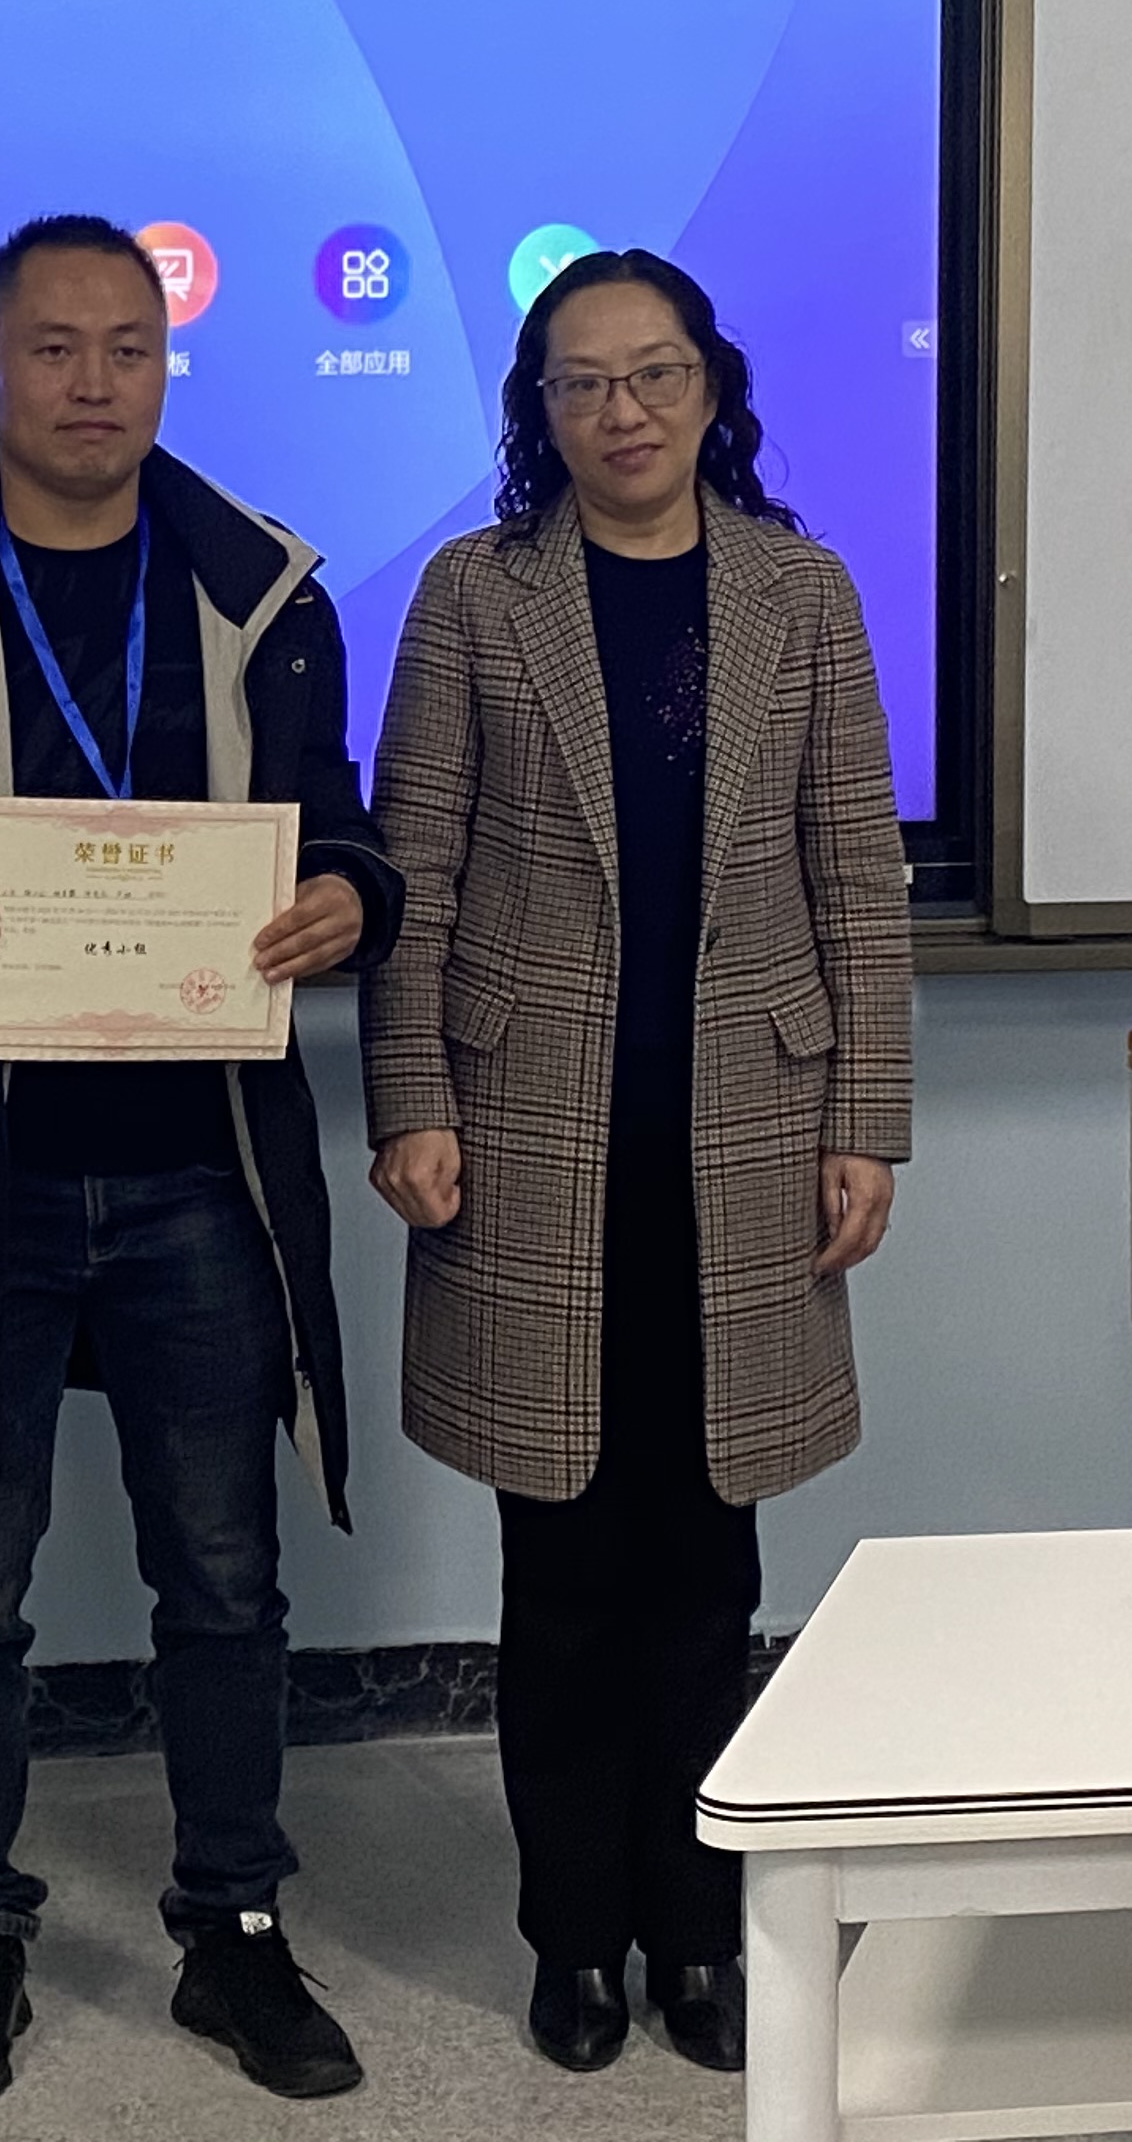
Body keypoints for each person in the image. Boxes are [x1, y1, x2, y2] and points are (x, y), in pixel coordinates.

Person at [0, 213, 401, 2109]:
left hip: (200, 1167)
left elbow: (342, 827)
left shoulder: (260, 586)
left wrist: (348, 899)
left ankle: (235, 1928)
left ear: (167, 368)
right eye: (53, 348)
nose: (93, 383)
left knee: (226, 1575)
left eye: (129, 348)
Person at [365, 246, 911, 2078]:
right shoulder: (477, 595)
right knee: (564, 1573)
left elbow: (858, 877)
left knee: (709, 1570)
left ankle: (700, 1936)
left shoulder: (801, 593)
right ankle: (574, 1941)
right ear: (541, 410)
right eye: (584, 382)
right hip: (533, 1144)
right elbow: (417, 868)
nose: (625, 411)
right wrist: (410, 1098)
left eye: (656, 373)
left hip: (747, 1145)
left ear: (711, 387)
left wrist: (867, 1119)